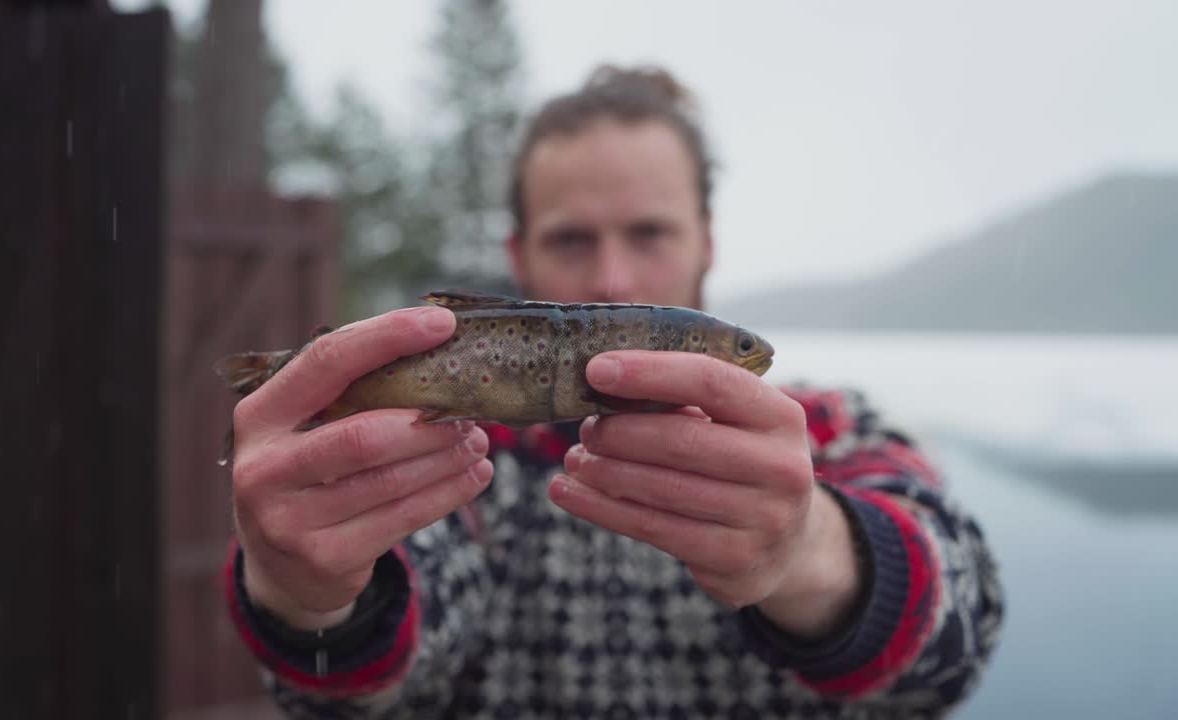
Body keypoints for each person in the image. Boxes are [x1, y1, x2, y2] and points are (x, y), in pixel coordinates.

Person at [223, 65, 1003, 718]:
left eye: (648, 233)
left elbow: (959, 635)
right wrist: (307, 601)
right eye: (572, 238)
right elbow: (351, 694)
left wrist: (815, 547)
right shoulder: (448, 450)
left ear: (708, 241)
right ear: (517, 254)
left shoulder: (836, 430)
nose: (612, 280)